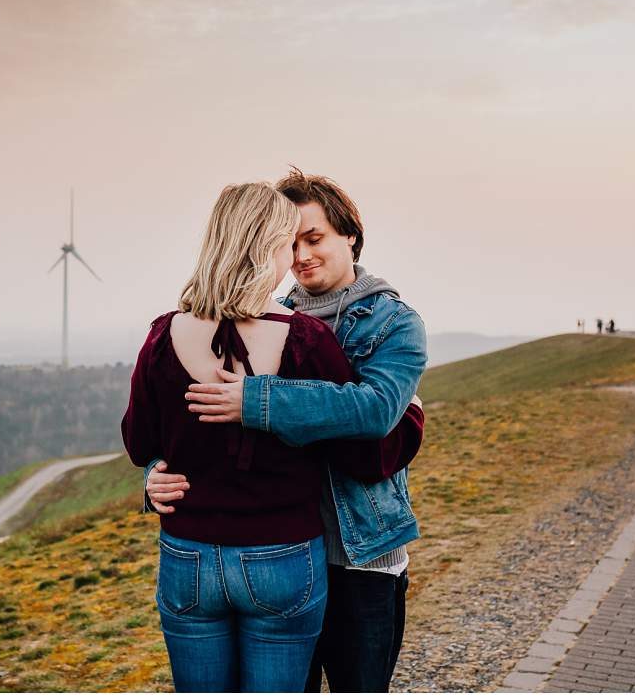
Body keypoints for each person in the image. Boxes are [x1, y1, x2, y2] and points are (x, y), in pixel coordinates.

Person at [121, 182, 424, 693]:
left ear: (351, 236)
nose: (301, 256)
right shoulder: (291, 328)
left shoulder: (393, 324)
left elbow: (372, 431)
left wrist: (257, 401)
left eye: (314, 238)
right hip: (287, 552)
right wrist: (157, 472)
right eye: (291, 241)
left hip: (358, 556)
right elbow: (157, 442)